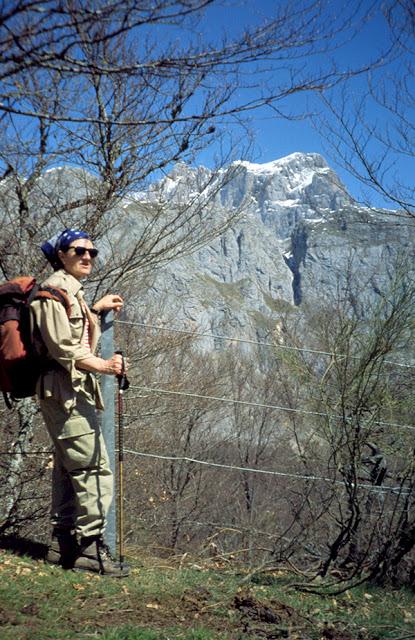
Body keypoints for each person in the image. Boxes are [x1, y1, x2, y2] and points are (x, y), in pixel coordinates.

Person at [31, 228, 128, 577]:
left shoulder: (72, 294)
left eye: (92, 252)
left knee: (68, 465)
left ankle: (63, 545)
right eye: (78, 251)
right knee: (93, 466)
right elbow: (64, 349)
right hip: (63, 391)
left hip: (72, 390)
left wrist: (95, 310)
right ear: (61, 255)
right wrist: (102, 365)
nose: (87, 256)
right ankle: (90, 550)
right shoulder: (50, 295)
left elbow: (79, 337)